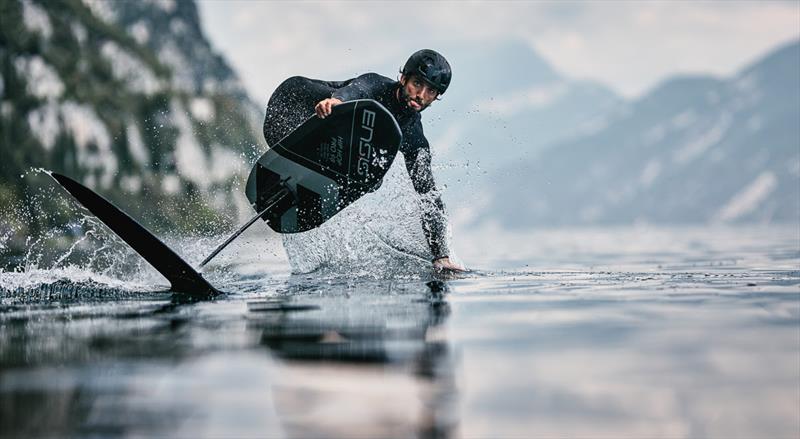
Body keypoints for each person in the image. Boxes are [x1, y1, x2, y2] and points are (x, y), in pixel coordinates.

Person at [263, 49, 464, 272]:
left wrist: (441, 256)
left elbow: (428, 196)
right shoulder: (376, 86)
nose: (421, 94)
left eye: (431, 91)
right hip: (293, 106)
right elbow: (357, 90)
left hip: (331, 147)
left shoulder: (415, 138)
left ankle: (308, 178)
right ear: (403, 78)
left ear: (436, 96)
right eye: (417, 83)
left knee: (372, 177)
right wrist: (335, 102)